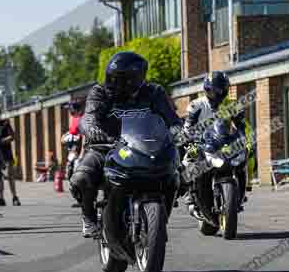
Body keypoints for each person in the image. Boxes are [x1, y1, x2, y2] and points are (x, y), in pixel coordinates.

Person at [71, 51, 183, 238]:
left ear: (134, 79)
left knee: (176, 175)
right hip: (107, 147)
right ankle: (89, 217)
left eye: (118, 78)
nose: (112, 82)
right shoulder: (100, 92)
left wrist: (179, 132)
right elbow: (88, 117)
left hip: (144, 147)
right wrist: (92, 130)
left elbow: (171, 119)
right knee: (81, 178)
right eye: (111, 77)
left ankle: (161, 218)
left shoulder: (154, 93)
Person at [182, 71, 254, 214]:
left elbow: (241, 125)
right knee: (187, 162)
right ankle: (189, 195)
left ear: (225, 90)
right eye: (212, 90)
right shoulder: (196, 105)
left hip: (223, 142)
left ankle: (243, 189)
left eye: (219, 90)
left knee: (247, 155)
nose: (216, 93)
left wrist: (245, 139)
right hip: (201, 143)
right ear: (206, 89)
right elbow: (187, 127)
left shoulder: (232, 104)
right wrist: (190, 141)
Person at [0, 109, 20, 206]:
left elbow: (12, 136)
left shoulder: (5, 123)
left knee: (10, 176)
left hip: (6, 154)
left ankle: (15, 197)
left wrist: (0, 141)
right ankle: (1, 198)